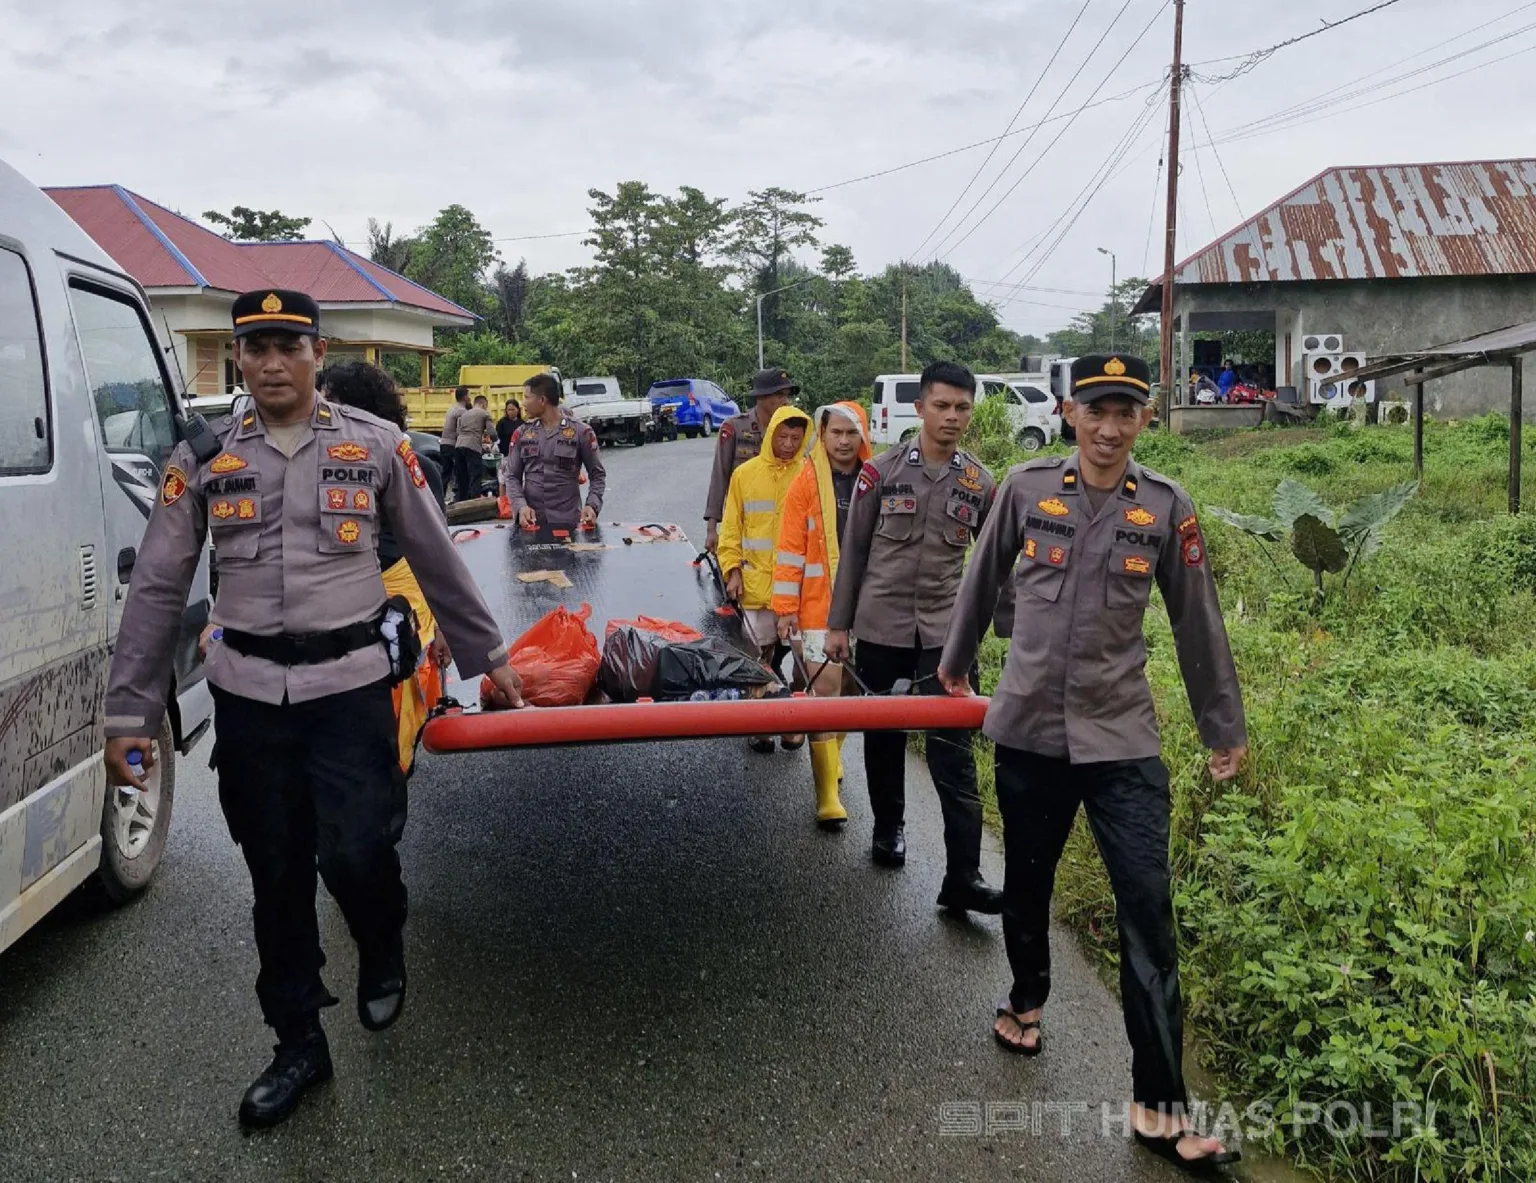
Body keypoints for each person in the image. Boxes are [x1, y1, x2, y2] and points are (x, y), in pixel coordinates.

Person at [101, 290, 525, 1131]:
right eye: (253, 347)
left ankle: (382, 935)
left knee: (359, 851)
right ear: (238, 354)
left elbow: (438, 557)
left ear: (316, 352)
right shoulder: (204, 455)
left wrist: (492, 660)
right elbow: (156, 586)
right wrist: (128, 715)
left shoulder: (374, 446)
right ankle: (297, 1041)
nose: (269, 363)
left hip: (349, 692)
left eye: (286, 345)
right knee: (278, 874)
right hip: (251, 700)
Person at [937, 353, 1246, 1176]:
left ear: (1145, 418)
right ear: (1071, 411)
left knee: (1149, 910)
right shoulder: (1027, 485)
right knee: (1028, 882)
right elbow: (983, 576)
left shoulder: (1165, 508)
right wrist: (957, 662)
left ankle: (1160, 1102)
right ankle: (1027, 999)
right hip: (1031, 729)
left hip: (1122, 742)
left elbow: (1197, 623)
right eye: (1097, 411)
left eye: (1128, 412)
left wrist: (1223, 725)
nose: (1110, 429)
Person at [825, 360, 1002, 916]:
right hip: (881, 625)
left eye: (962, 408)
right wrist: (837, 625)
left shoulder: (980, 482)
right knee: (884, 735)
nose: (952, 417)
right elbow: (853, 552)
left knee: (955, 751)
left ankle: (965, 874)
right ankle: (888, 828)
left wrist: (1012, 636)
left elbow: (996, 563)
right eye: (942, 406)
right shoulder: (878, 473)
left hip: (947, 636)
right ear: (920, 408)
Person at [320, 361, 451, 778]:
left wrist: (447, 628)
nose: (323, 414)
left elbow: (440, 557)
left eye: (332, 404)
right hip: (336, 609)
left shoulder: (413, 465)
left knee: (391, 724)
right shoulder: (314, 466)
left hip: (400, 607)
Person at [771, 401, 871, 829]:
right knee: (823, 693)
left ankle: (834, 760)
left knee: (851, 693)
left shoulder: (875, 479)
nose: (844, 442)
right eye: (837, 433)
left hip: (868, 608)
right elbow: (790, 549)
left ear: (862, 436)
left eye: (852, 434)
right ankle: (827, 796)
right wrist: (784, 609)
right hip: (815, 606)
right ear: (824, 434)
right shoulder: (805, 483)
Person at [717, 404, 814, 754]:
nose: (788, 444)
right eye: (782, 436)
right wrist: (732, 571)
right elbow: (732, 528)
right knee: (759, 658)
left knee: (806, 660)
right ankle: (760, 725)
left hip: (799, 591)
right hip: (756, 588)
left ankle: (795, 722)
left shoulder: (811, 475)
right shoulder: (745, 475)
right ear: (770, 433)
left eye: (795, 438)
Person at [703, 368, 797, 554]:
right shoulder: (734, 427)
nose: (784, 400)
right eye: (778, 395)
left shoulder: (791, 432)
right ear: (760, 397)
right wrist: (712, 529)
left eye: (786, 395)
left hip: (780, 525)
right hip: (740, 522)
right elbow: (719, 477)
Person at [500, 371, 606, 532]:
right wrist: (521, 507)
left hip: (568, 522)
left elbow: (597, 474)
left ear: (542, 400)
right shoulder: (522, 433)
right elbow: (511, 476)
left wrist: (592, 505)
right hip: (530, 524)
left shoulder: (581, 432)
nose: (523, 403)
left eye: (527, 397)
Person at [454, 394, 494, 502]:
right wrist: (495, 441)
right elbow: (492, 433)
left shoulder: (464, 415)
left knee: (462, 478)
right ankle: (474, 503)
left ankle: (461, 503)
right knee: (475, 477)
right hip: (473, 447)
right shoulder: (484, 414)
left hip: (459, 446)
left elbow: (458, 432)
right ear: (483, 404)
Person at [440, 386, 470, 502]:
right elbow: (460, 431)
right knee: (460, 472)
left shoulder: (452, 409)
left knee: (446, 473)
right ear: (465, 397)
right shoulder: (462, 411)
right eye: (469, 395)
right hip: (453, 445)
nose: (470, 398)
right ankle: (459, 498)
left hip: (444, 443)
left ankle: (439, 497)